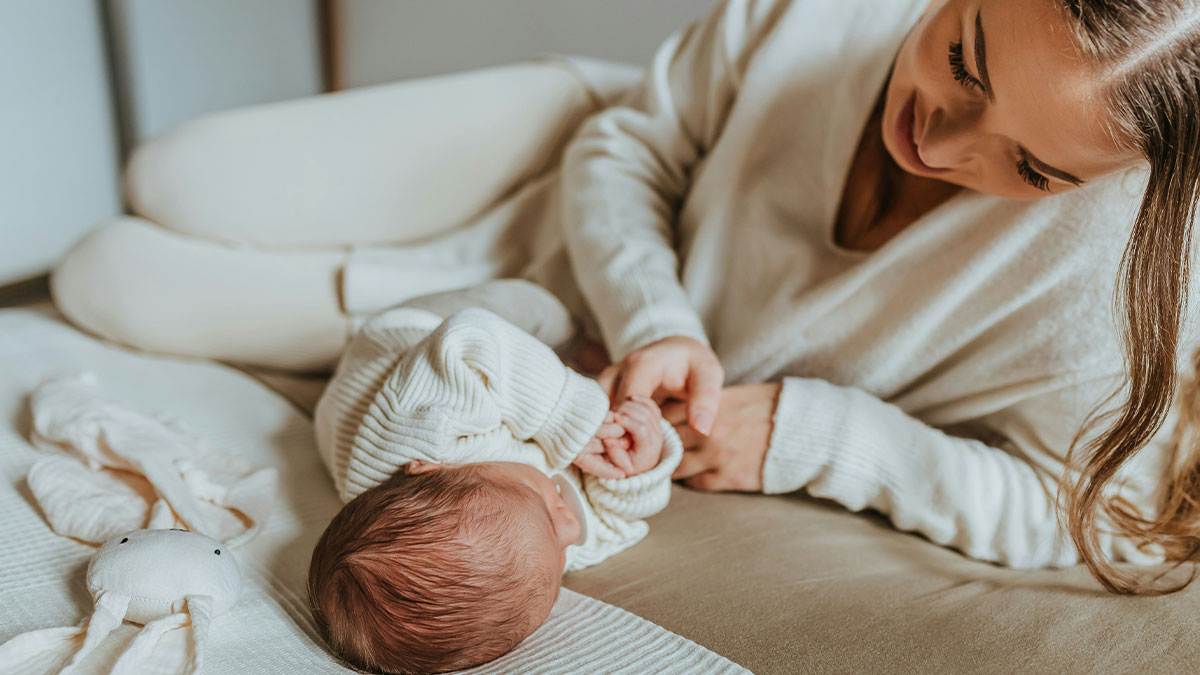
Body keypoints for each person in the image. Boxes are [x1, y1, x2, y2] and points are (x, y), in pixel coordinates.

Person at [51, 0, 1200, 594]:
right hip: (558, 170)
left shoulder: (1117, 291)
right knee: (171, 169)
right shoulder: (828, 18)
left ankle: (398, 283)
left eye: (1033, 168)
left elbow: (1094, 519)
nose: (941, 143)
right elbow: (627, 150)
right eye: (964, 56)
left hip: (513, 329)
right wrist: (659, 318)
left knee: (104, 278)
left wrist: (821, 437)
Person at [308, 280, 683, 673]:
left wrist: (571, 415)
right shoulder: (529, 561)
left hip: (408, 338)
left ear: (434, 468)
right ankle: (575, 371)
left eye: (549, 514)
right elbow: (615, 526)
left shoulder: (424, 430)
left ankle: (579, 344)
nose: (572, 530)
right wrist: (633, 473)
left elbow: (471, 338)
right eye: (561, 555)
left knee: (532, 306)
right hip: (489, 430)